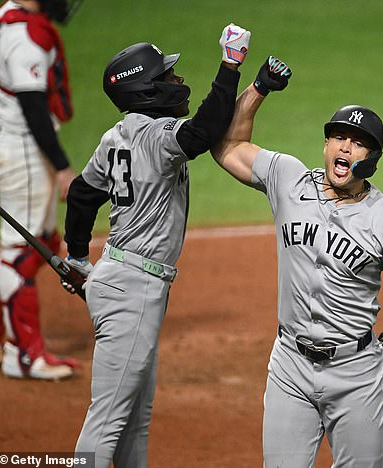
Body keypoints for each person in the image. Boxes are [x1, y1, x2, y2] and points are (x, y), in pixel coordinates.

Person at [211, 57, 383, 467]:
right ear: (325, 146)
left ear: (372, 157)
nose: (345, 146)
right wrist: (259, 89)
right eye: (338, 137)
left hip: (356, 375)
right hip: (290, 366)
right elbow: (228, 147)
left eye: (358, 142)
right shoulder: (288, 179)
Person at [61, 23, 250, 467]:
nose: (175, 82)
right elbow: (202, 132)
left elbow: (82, 195)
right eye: (166, 78)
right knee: (108, 421)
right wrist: (230, 65)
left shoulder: (116, 137)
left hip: (121, 279)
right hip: (132, 289)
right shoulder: (155, 135)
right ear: (147, 90)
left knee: (133, 419)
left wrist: (75, 256)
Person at [0, 0, 81, 380]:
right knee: (21, 252)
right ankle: (24, 355)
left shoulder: (4, 16)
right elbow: (32, 109)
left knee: (34, 241)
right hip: (23, 152)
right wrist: (62, 168)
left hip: (5, 142)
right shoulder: (26, 37)